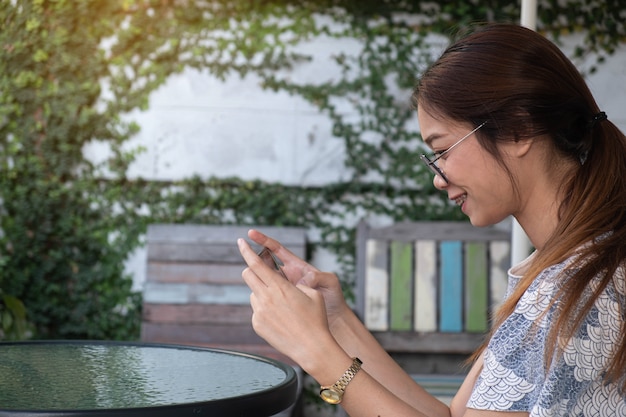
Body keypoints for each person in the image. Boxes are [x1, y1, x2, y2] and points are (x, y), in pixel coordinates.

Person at [238, 23, 626, 416]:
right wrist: (336, 321)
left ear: (518, 129)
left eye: (441, 150)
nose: (438, 179)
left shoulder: (572, 291)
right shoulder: (576, 267)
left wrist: (314, 349)